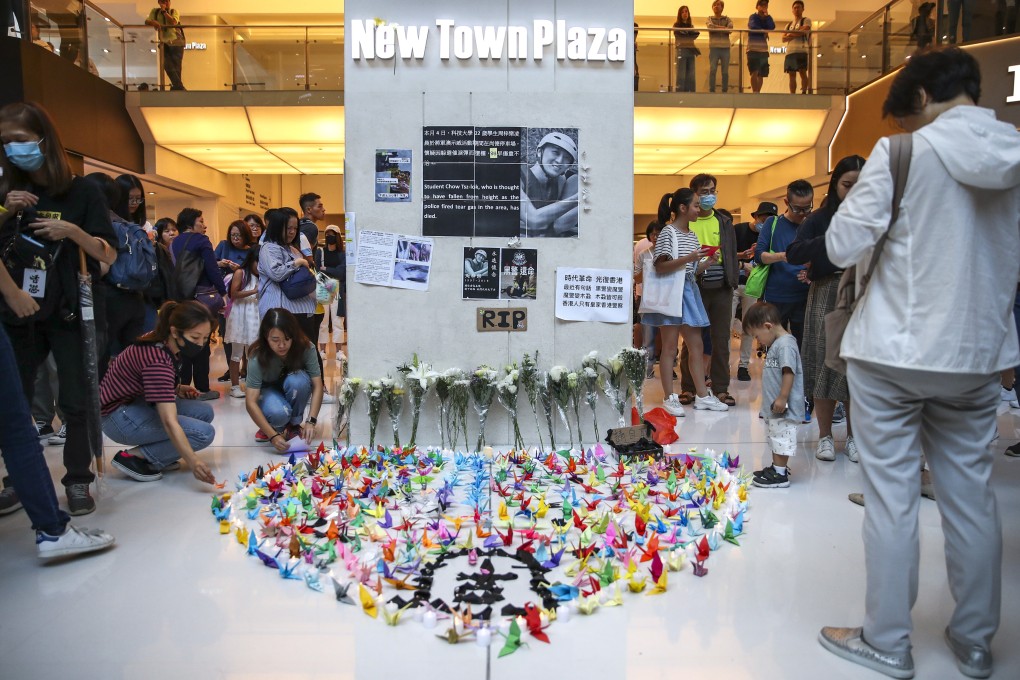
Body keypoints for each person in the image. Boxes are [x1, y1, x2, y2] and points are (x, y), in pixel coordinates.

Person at [818, 47, 1020, 680]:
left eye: (908, 114)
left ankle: (886, 641)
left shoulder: (903, 154)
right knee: (970, 498)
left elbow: (840, 242)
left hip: (893, 353)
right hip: (977, 354)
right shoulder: (1014, 154)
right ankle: (976, 641)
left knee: (893, 500)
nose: (908, 126)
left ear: (925, 96)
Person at [0, 101, 118, 516]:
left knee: (77, 398)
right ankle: (20, 480)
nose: (13, 149)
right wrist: (4, 210)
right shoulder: (5, 193)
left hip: (72, 310)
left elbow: (107, 254)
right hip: (19, 310)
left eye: (20, 140)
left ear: (44, 141)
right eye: (5, 142)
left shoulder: (82, 191)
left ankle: (78, 479)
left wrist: (71, 230)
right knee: (17, 401)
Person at [0, 323, 115, 558]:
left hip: (64, 314)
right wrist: (12, 293)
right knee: (16, 426)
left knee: (74, 401)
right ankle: (51, 528)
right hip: (22, 315)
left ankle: (77, 481)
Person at [786, 155, 865, 463]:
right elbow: (794, 253)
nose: (854, 191)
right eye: (847, 184)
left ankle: (856, 437)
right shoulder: (819, 218)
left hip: (864, 291)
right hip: (827, 290)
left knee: (858, 367)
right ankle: (825, 437)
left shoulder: (877, 215)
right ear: (835, 185)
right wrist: (830, 238)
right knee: (823, 362)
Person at [101, 301, 217, 484]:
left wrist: (177, 388)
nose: (200, 344)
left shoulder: (161, 341)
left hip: (134, 404)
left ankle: (159, 455)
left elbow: (144, 381)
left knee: (204, 412)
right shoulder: (157, 359)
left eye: (205, 338)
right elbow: (169, 421)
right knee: (203, 434)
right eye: (195, 338)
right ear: (175, 331)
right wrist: (193, 461)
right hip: (118, 417)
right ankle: (134, 457)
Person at [644, 189, 728, 418]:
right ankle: (669, 397)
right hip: (672, 292)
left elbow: (691, 270)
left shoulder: (691, 234)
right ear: (682, 208)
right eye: (695, 205)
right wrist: (691, 258)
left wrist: (706, 262)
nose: (699, 209)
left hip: (689, 290)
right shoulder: (668, 233)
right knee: (670, 347)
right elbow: (660, 267)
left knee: (696, 345)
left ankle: (702, 395)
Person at [679, 174, 739, 407]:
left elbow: (731, 253)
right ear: (694, 194)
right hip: (693, 287)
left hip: (722, 287)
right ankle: (689, 387)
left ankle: (721, 387)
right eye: (704, 192)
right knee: (691, 339)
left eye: (712, 190)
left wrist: (732, 277)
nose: (709, 196)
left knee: (721, 339)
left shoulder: (724, 221)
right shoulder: (688, 219)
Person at [86, 173, 145, 364]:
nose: (135, 203)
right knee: (132, 356)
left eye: (138, 198)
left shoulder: (105, 222)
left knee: (105, 356)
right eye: (131, 198)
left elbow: (103, 266)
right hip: (134, 294)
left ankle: (111, 393)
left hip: (112, 294)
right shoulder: (130, 226)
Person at [244, 308, 323, 449]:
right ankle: (271, 425)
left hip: (292, 385)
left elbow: (317, 385)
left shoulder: (306, 347)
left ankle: (293, 425)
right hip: (267, 390)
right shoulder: (257, 355)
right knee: (278, 414)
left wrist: (311, 421)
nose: (282, 345)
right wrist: (272, 435)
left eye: (287, 339)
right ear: (265, 337)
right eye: (275, 340)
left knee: (299, 381)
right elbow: (250, 401)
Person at [745, 302, 804, 488]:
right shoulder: (778, 343)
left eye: (757, 336)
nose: (759, 341)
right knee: (775, 437)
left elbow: (788, 372)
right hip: (776, 407)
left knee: (781, 438)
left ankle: (780, 476)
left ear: (768, 326)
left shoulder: (785, 345)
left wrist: (783, 397)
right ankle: (777, 468)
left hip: (784, 407)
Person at [170, 207, 224, 400]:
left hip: (181, 297)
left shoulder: (174, 242)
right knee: (202, 342)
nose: (204, 225)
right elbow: (211, 269)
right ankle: (202, 388)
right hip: (202, 296)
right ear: (190, 223)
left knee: (184, 341)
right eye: (201, 221)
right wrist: (223, 292)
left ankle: (183, 386)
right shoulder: (201, 240)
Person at [753, 180, 812, 350]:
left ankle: (797, 377)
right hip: (776, 297)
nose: (802, 213)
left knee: (803, 348)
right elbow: (759, 255)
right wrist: (783, 256)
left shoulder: (812, 224)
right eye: (797, 208)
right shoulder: (773, 224)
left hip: (804, 296)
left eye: (807, 208)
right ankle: (777, 377)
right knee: (775, 349)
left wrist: (811, 270)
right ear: (786, 203)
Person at [733, 201, 776, 381]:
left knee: (749, 327)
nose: (764, 225)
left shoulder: (771, 236)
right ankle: (719, 367)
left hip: (753, 287)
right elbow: (726, 256)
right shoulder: (738, 230)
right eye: (762, 219)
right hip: (733, 283)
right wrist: (744, 263)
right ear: (755, 216)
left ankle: (743, 365)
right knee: (726, 326)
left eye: (769, 222)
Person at [258, 208, 317, 336]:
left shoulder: (292, 249)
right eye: (288, 228)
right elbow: (276, 273)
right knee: (283, 352)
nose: (292, 232)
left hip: (301, 311)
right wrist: (297, 263)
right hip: (280, 314)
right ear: (277, 227)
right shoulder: (269, 248)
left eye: (295, 228)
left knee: (306, 352)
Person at [213, 220, 253, 383]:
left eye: (239, 235)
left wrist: (240, 270)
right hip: (224, 297)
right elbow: (211, 264)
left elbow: (254, 272)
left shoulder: (251, 251)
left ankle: (247, 369)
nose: (235, 238)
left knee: (246, 335)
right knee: (228, 334)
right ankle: (232, 369)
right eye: (233, 235)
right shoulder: (223, 246)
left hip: (244, 298)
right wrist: (221, 263)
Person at [520, 131, 579, 238]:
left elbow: (558, 224)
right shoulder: (519, 175)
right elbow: (533, 219)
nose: (560, 161)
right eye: (555, 152)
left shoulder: (560, 182)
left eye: (566, 158)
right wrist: (578, 199)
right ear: (539, 152)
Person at [224, 247, 260, 399]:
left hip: (254, 315)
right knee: (236, 353)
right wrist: (254, 291)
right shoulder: (241, 272)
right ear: (252, 260)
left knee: (253, 353)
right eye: (259, 263)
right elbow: (234, 293)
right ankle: (234, 386)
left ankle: (253, 385)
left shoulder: (261, 275)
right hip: (239, 315)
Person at [634, 221, 662, 378]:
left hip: (667, 301)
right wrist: (647, 270)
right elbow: (636, 278)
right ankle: (648, 368)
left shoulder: (672, 253)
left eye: (660, 233)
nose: (657, 237)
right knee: (648, 337)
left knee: (667, 339)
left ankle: (668, 367)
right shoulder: (643, 254)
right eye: (653, 234)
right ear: (649, 236)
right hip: (648, 300)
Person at [317, 224, 346, 362]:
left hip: (338, 288)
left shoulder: (342, 254)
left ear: (338, 236)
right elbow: (317, 270)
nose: (329, 237)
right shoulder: (320, 252)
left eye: (332, 234)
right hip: (323, 287)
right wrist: (331, 271)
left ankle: (339, 350)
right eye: (327, 234)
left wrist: (326, 268)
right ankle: (322, 350)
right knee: (323, 320)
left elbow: (341, 272)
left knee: (338, 320)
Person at [145, 0, 186, 90]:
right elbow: (147, 21)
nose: (166, 3)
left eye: (167, 1)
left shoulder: (174, 11)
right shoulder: (155, 11)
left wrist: (164, 12)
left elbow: (173, 22)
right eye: (163, 1)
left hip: (176, 42)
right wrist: (154, 23)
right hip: (164, 42)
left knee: (176, 66)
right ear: (159, 2)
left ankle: (177, 87)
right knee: (167, 64)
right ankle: (179, 87)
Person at [782, 1, 811, 94]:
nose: (796, 9)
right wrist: (797, 32)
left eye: (798, 7)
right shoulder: (788, 24)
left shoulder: (806, 20)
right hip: (790, 52)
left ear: (803, 9)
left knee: (802, 72)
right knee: (791, 74)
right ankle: (792, 94)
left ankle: (804, 92)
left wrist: (791, 34)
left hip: (801, 50)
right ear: (792, 10)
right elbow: (783, 38)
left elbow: (805, 30)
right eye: (794, 8)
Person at [747, 0, 775, 93]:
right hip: (752, 48)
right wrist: (764, 31)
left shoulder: (768, 18)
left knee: (761, 73)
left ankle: (758, 93)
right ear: (757, 7)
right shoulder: (753, 16)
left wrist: (767, 16)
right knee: (753, 71)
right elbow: (753, 26)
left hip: (763, 50)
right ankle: (755, 92)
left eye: (765, 5)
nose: (763, 7)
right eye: (761, 5)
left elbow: (772, 27)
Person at [706, 1, 734, 93]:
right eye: (714, 5)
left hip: (725, 48)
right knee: (713, 69)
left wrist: (716, 28)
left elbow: (730, 29)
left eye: (718, 5)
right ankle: (712, 91)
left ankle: (724, 91)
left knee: (725, 71)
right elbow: (710, 27)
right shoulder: (709, 18)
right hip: (714, 47)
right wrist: (723, 28)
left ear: (722, 7)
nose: (716, 6)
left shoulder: (727, 19)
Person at [673, 6, 700, 93]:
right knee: (681, 74)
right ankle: (680, 94)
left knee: (691, 74)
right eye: (683, 12)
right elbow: (679, 37)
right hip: (681, 51)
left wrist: (685, 36)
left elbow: (697, 33)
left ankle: (691, 94)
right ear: (680, 14)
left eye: (686, 12)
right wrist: (689, 37)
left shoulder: (690, 26)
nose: (685, 13)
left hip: (691, 51)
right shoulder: (676, 25)